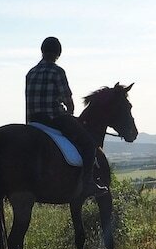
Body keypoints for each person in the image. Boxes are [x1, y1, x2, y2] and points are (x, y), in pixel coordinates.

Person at [25, 37, 107, 197]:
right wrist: (70, 112)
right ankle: (88, 182)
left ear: (42, 51)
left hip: (34, 119)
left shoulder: (31, 72)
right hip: (54, 118)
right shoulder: (57, 71)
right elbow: (68, 101)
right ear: (58, 53)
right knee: (89, 144)